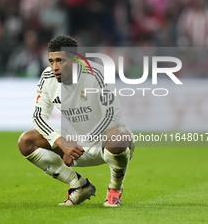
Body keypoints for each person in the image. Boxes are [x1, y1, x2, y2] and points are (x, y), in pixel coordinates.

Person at [18, 35, 134, 206]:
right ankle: (79, 185)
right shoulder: (48, 77)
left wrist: (82, 144)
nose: (54, 67)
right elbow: (38, 116)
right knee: (26, 141)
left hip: (105, 145)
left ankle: (115, 189)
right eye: (51, 61)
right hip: (72, 147)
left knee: (119, 136)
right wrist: (61, 142)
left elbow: (112, 116)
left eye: (60, 61)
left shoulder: (97, 73)